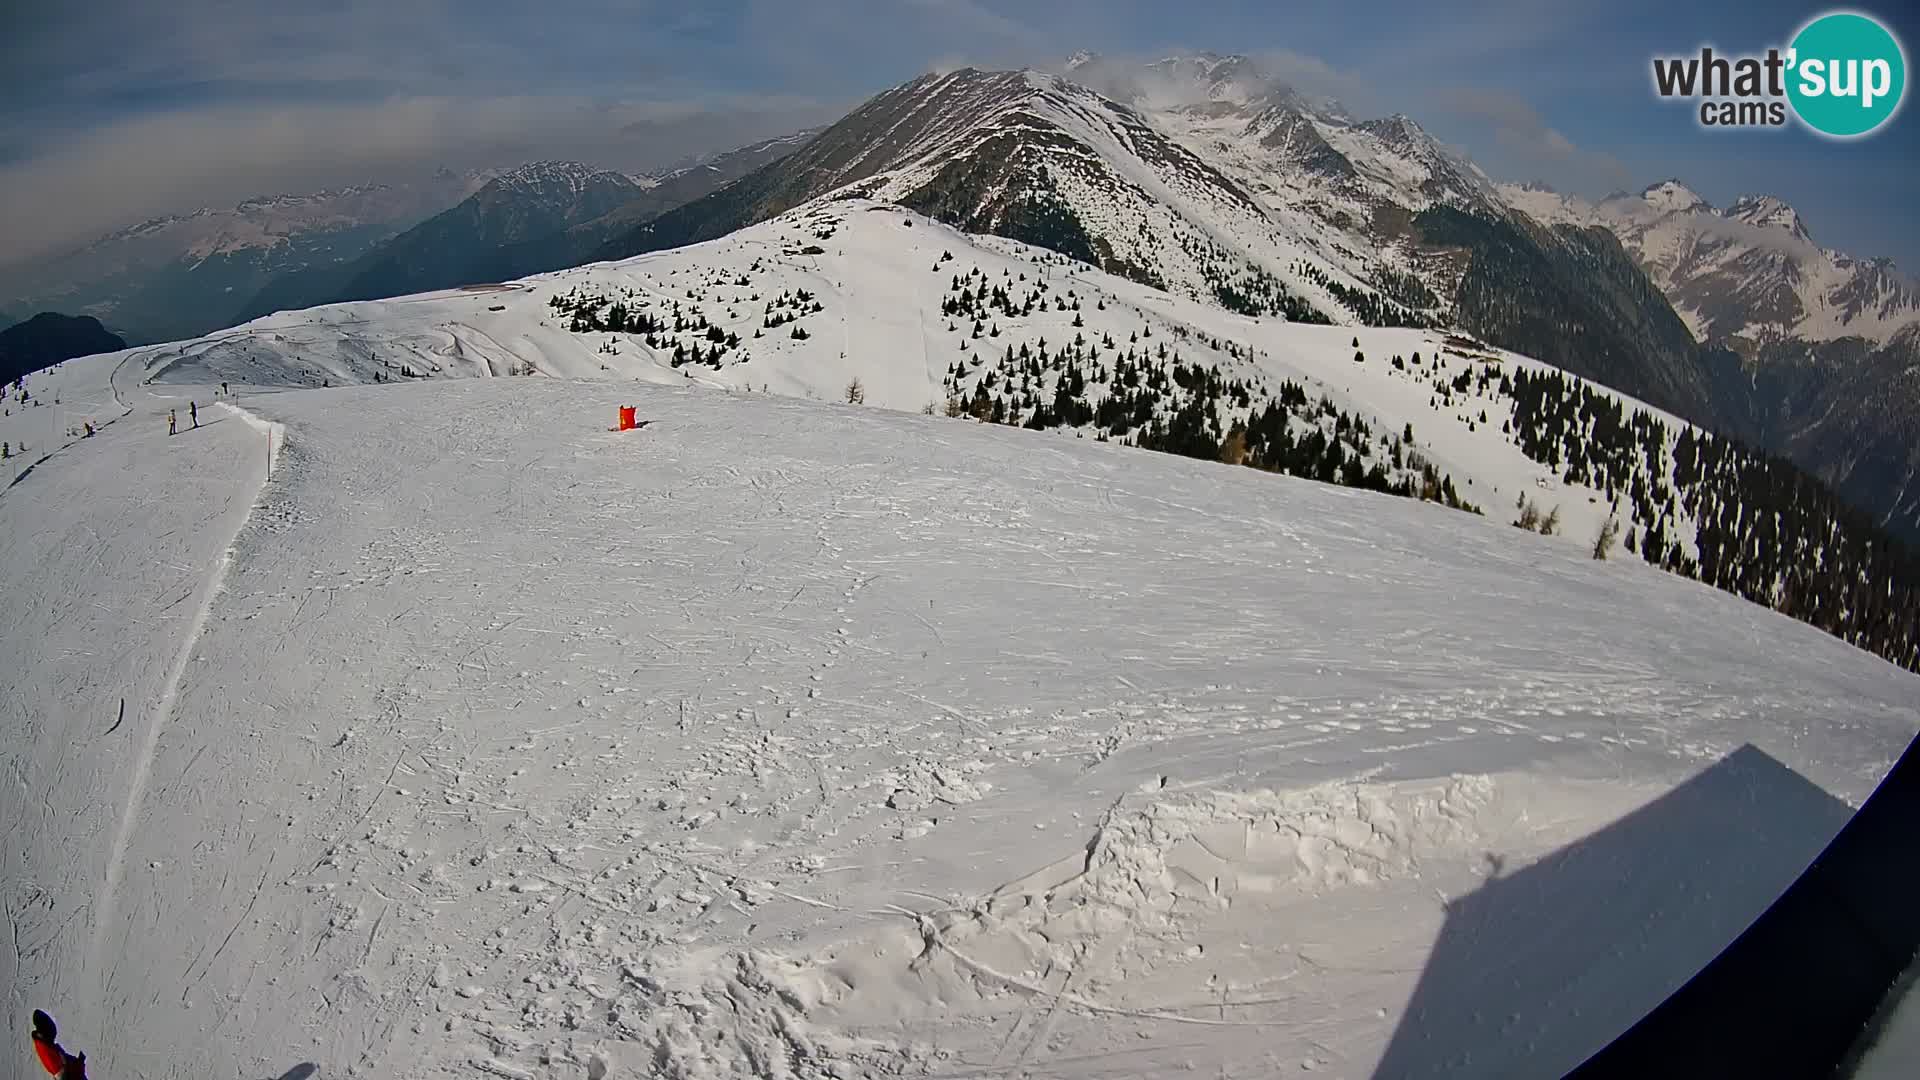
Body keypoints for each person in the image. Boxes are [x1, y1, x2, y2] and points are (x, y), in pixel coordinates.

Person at [30, 1010, 87, 1078]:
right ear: (46, 1034)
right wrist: (79, 1064)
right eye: (52, 1035)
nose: (53, 1038)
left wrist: (78, 1062)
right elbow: (69, 1076)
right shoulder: (48, 1055)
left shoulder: (46, 1045)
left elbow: (66, 1061)